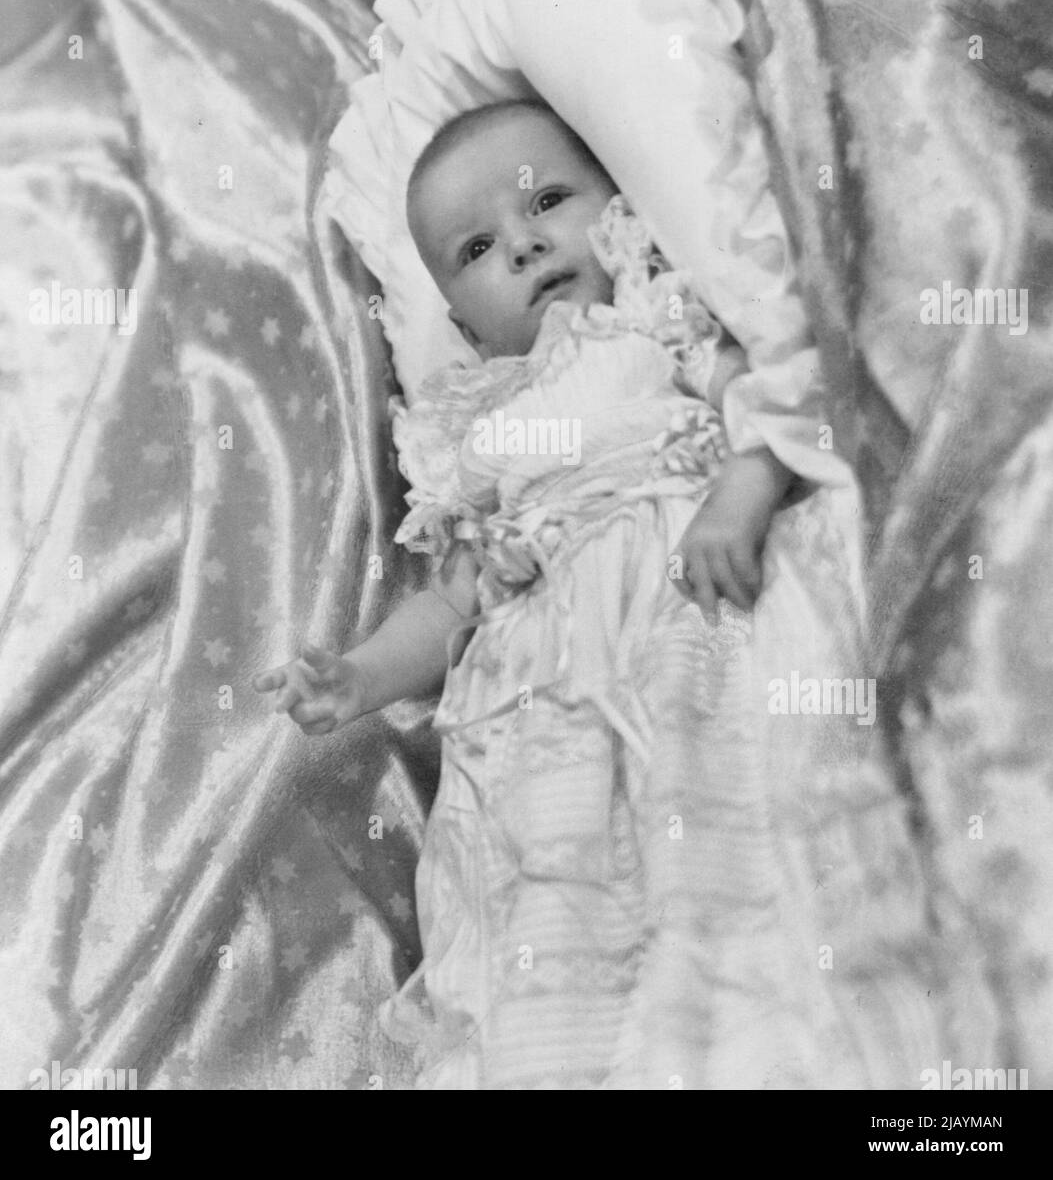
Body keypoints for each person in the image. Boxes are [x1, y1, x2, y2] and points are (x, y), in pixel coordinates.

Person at [255, 99, 822, 1087]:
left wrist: (741, 490)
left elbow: (771, 404)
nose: (522, 244)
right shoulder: (471, 428)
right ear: (464, 326)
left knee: (708, 843)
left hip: (675, 620)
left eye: (548, 201)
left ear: (618, 213)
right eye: (478, 247)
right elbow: (448, 604)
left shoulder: (654, 321)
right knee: (546, 899)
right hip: (535, 714)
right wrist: (358, 674)